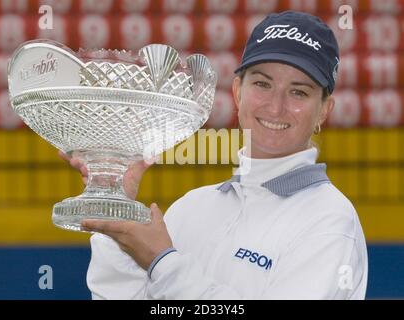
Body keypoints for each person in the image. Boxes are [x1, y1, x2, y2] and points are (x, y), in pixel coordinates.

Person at [62, 11, 368, 299]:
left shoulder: (329, 222)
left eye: (299, 91)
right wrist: (117, 213)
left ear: (324, 111)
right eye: (262, 84)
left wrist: (163, 262)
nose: (276, 107)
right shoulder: (193, 208)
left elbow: (167, 271)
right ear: (237, 92)